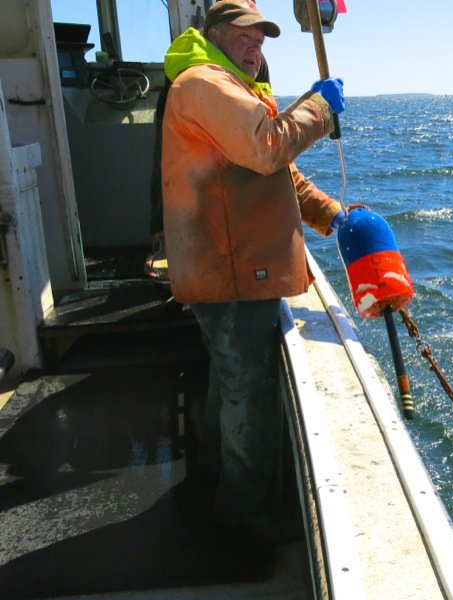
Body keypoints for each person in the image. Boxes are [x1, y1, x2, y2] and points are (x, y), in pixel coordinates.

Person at [160, 0, 346, 538]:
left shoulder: (235, 89)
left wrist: (333, 217)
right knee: (249, 394)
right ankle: (244, 516)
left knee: (231, 382)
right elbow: (269, 148)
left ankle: (219, 481)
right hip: (232, 270)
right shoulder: (203, 84)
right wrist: (318, 108)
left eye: (262, 37)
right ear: (213, 33)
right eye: (244, 34)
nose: (255, 45)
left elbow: (279, 175)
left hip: (233, 269)